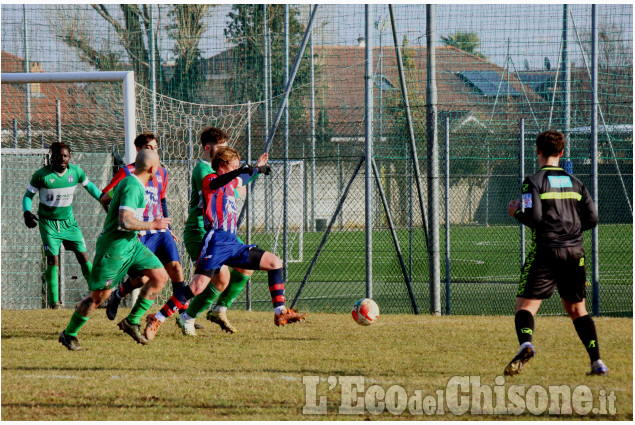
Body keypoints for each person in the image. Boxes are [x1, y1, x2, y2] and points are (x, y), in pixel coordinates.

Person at [144, 147, 306, 341]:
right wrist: (239, 172)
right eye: (234, 166)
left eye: (238, 166)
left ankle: (280, 311)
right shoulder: (210, 179)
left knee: (275, 262)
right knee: (197, 287)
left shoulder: (232, 183)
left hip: (232, 242)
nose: (237, 169)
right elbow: (221, 181)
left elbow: (243, 178)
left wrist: (257, 169)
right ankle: (157, 318)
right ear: (222, 166)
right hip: (216, 241)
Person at [505, 129, 606, 376]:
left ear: (538, 151)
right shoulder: (576, 183)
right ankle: (597, 362)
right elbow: (592, 219)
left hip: (547, 251)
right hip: (574, 252)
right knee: (577, 309)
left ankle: (526, 344)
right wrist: (569, 231)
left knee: (525, 307)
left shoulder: (534, 181)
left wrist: (515, 212)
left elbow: (534, 217)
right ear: (561, 153)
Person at [59, 149, 170, 350]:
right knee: (99, 296)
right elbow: (125, 221)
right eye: (158, 166)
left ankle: (132, 321)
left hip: (131, 245)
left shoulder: (128, 182)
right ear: (153, 168)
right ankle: (69, 334)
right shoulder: (133, 187)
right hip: (114, 248)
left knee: (159, 276)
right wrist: (153, 225)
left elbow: (104, 199)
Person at [99, 133, 187, 327]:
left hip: (160, 231)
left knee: (176, 268)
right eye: (148, 147)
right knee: (142, 278)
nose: (153, 151)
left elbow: (161, 200)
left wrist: (167, 226)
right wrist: (122, 221)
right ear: (138, 150)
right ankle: (118, 294)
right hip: (140, 231)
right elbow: (105, 197)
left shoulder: (161, 173)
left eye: (155, 147)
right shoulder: (128, 173)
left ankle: (185, 316)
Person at [180, 127, 257, 335]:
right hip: (200, 231)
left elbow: (235, 183)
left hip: (221, 232)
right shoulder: (203, 170)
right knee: (220, 278)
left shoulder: (220, 170)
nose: (226, 151)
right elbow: (218, 193)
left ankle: (219, 310)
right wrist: (236, 190)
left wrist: (256, 169)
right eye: (221, 148)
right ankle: (185, 317)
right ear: (208, 148)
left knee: (246, 267)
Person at [22, 142, 102, 309]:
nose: (62, 158)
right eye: (58, 155)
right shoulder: (41, 175)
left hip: (69, 223)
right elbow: (28, 196)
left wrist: (102, 199)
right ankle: (54, 303)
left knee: (83, 256)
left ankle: (96, 296)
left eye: (65, 156)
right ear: (52, 157)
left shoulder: (76, 172)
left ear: (69, 157)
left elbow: (91, 187)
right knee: (53, 260)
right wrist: (26, 212)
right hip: (48, 224)